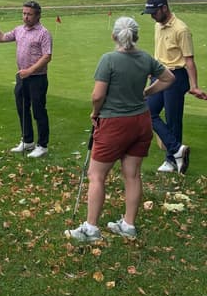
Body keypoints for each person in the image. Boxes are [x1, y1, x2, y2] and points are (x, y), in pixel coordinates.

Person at [66, 16, 175, 243]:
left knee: (96, 175)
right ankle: (128, 225)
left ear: (114, 36)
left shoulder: (109, 60)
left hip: (115, 124)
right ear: (136, 36)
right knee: (132, 175)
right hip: (141, 121)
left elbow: (97, 95)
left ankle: (91, 228)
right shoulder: (145, 58)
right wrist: (146, 93)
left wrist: (95, 112)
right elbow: (168, 78)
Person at [142, 0, 207, 173]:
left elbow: (189, 60)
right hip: (159, 74)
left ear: (164, 8)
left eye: (154, 12)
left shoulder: (181, 29)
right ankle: (177, 150)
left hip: (176, 77)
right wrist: (152, 71)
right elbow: (159, 52)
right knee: (148, 111)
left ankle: (172, 160)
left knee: (173, 119)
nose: (152, 16)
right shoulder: (158, 25)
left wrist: (194, 86)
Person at [0, 1, 52, 157]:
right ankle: (28, 141)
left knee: (38, 111)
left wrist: (30, 71)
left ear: (38, 15)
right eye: (24, 13)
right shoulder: (19, 30)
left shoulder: (44, 33)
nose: (26, 17)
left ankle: (42, 145)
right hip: (22, 77)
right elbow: (1, 38)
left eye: (29, 14)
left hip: (37, 78)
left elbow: (47, 56)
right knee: (22, 109)